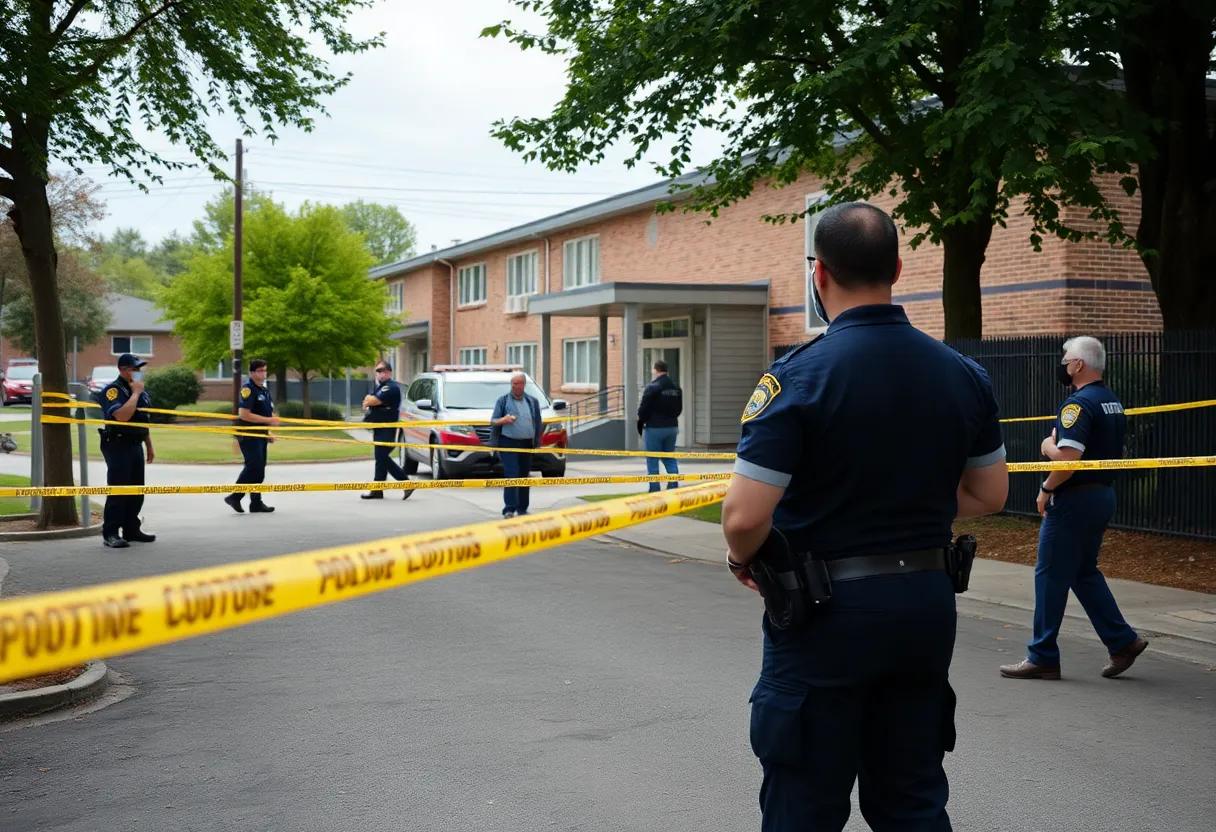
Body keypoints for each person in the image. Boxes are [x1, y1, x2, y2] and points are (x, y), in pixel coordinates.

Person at [721, 202, 1009, 832]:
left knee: (805, 799)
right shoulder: (963, 375)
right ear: (899, 268)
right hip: (925, 607)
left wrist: (743, 558)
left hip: (827, 612)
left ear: (818, 274)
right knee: (911, 797)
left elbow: (744, 515)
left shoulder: (798, 377)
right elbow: (990, 494)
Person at [1000, 337, 1149, 681]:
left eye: (1066, 359)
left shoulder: (1077, 405)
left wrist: (1047, 465)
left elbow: (1069, 461)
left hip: (1074, 499)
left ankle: (1042, 655)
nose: (1062, 364)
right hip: (1101, 497)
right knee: (1083, 572)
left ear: (1079, 365)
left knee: (1050, 575)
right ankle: (1123, 642)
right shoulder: (1112, 401)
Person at [98, 353, 157, 549]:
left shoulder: (139, 390)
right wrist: (136, 394)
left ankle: (131, 529)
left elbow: (142, 418)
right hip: (117, 443)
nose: (139, 372)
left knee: (137, 490)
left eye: (140, 369)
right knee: (119, 489)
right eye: (135, 369)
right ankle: (111, 532)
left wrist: (148, 443)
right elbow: (122, 416)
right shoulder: (113, 390)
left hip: (135, 443)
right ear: (123, 370)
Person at [225, 358, 279, 514]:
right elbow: (244, 414)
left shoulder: (263, 390)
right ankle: (235, 496)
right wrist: (270, 420)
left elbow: (264, 412)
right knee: (253, 466)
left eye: (265, 370)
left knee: (260, 468)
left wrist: (268, 432)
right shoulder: (248, 389)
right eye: (261, 370)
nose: (263, 374)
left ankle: (255, 502)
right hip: (248, 434)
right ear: (253, 372)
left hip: (260, 435)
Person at [490, 371, 543, 518]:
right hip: (508, 442)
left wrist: (537, 441)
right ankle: (509, 509)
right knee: (512, 474)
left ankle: (522, 508)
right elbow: (493, 421)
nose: (515, 386)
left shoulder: (532, 401)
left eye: (518, 383)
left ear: (524, 385)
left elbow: (538, 422)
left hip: (527, 443)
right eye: (513, 384)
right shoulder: (503, 401)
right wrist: (504, 420)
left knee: (524, 475)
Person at [360, 361, 411, 500]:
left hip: (386, 428)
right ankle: (377, 490)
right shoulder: (381, 387)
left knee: (382, 457)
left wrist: (370, 401)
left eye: (381, 370)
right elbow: (367, 399)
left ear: (389, 372)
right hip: (379, 427)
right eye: (377, 371)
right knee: (380, 458)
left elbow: (372, 401)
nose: (379, 373)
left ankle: (405, 482)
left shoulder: (391, 387)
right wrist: (369, 400)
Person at [637, 359, 683, 492]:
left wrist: (641, 423)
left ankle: (654, 488)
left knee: (652, 458)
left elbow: (643, 409)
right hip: (672, 426)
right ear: (667, 371)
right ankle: (673, 485)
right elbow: (679, 409)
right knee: (669, 456)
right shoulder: (675, 387)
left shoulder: (653, 387)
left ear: (655, 370)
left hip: (654, 427)